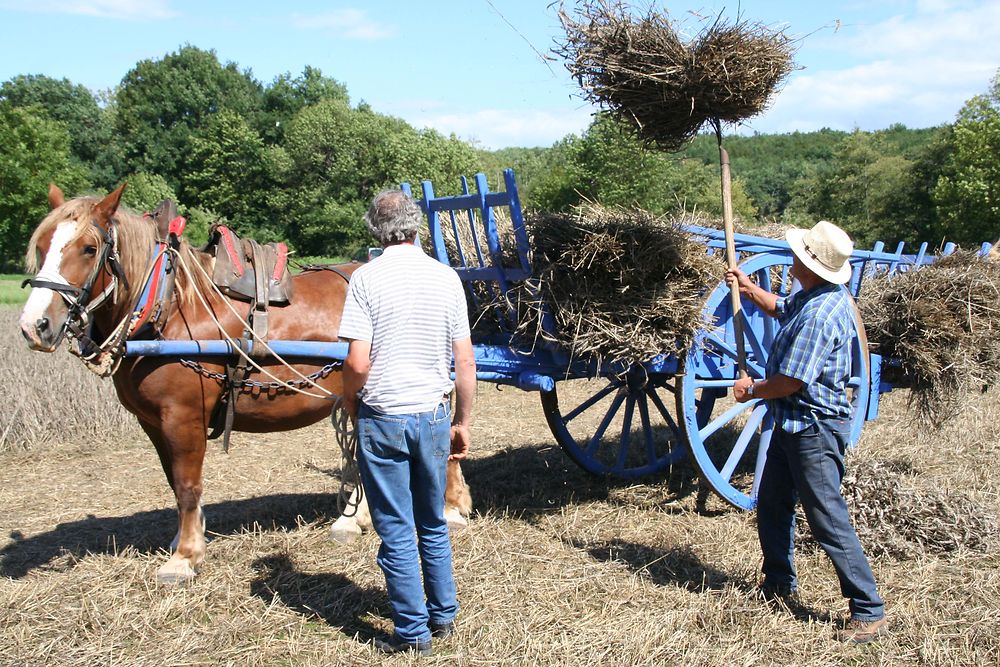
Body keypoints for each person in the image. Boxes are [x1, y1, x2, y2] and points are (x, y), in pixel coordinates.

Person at [725, 219, 887, 645]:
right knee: (774, 505)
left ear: (810, 263)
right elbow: (781, 308)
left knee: (827, 518)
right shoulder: (817, 295)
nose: (793, 257)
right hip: (790, 424)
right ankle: (778, 582)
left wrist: (751, 390)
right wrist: (747, 286)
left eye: (800, 253)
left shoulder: (819, 314)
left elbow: (790, 382)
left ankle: (868, 611)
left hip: (813, 429)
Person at [338, 189, 476, 657]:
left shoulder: (365, 279)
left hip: (384, 417)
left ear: (374, 230)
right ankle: (444, 616)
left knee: (395, 528)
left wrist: (349, 399)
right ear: (416, 225)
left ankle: (412, 632)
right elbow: (465, 362)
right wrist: (462, 420)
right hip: (434, 413)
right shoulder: (446, 277)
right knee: (432, 522)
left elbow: (357, 362)